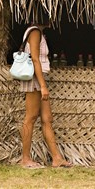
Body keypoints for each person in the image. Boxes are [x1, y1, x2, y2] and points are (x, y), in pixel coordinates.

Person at [19, 17, 72, 169]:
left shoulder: (38, 33)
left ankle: (56, 158)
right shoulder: (34, 32)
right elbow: (35, 59)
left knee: (47, 119)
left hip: (40, 78)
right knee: (30, 117)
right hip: (35, 79)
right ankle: (25, 159)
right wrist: (42, 85)